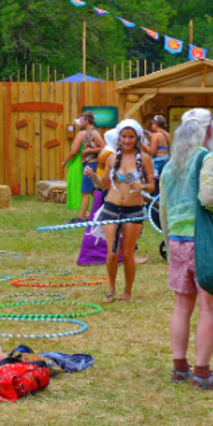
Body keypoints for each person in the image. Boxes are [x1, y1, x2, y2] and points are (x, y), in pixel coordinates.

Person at [160, 108, 213, 391]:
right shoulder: (210, 159)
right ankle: (202, 373)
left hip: (178, 241)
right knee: (209, 307)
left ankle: (179, 367)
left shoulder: (170, 166)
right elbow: (209, 199)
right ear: (208, 131)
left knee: (182, 306)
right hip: (204, 241)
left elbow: (165, 210)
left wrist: (169, 242)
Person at [84, 119, 155, 300]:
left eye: (131, 137)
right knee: (112, 252)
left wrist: (143, 186)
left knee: (128, 253)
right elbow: (104, 184)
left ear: (137, 138)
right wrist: (92, 176)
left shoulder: (144, 159)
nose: (127, 140)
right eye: (124, 136)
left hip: (134, 210)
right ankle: (111, 289)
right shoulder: (111, 158)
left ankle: (128, 291)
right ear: (119, 137)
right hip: (111, 208)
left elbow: (152, 187)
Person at [76, 128, 122, 267]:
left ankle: (120, 255)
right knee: (105, 230)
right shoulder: (110, 155)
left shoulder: (112, 154)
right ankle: (99, 256)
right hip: (107, 197)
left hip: (109, 195)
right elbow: (104, 183)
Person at [63, 112, 102, 223]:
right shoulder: (88, 133)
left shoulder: (94, 132)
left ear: (86, 120)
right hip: (87, 164)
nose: (79, 123)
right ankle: (102, 214)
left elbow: (104, 146)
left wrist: (89, 150)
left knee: (84, 193)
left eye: (81, 120)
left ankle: (81, 218)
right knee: (94, 192)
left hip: (91, 165)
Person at [145, 115, 171, 185]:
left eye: (152, 123)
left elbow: (153, 152)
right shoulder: (168, 135)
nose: (151, 125)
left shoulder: (155, 135)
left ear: (156, 124)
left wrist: (145, 146)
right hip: (167, 162)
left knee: (156, 186)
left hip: (157, 164)